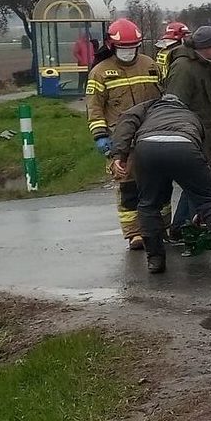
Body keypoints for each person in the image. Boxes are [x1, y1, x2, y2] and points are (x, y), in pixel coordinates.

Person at [108, 93, 211, 274]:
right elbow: (203, 155)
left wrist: (118, 156)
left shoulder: (146, 107)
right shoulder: (190, 114)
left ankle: (155, 260)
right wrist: (202, 204)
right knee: (209, 202)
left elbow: (126, 123)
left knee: (148, 204)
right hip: (185, 145)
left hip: (147, 148)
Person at [85, 18, 163, 251]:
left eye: (132, 47)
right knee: (128, 188)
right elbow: (95, 107)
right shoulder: (100, 72)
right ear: (112, 46)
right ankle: (134, 233)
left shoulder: (149, 65)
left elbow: (162, 97)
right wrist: (100, 136)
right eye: (123, 48)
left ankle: (161, 228)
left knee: (158, 185)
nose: (128, 52)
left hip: (151, 135)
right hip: (121, 140)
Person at [162, 26, 211, 239]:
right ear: (206, 47)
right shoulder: (184, 68)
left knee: (196, 185)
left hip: (202, 136)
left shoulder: (205, 65)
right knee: (198, 184)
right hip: (189, 138)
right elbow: (175, 105)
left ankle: (182, 226)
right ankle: (186, 227)